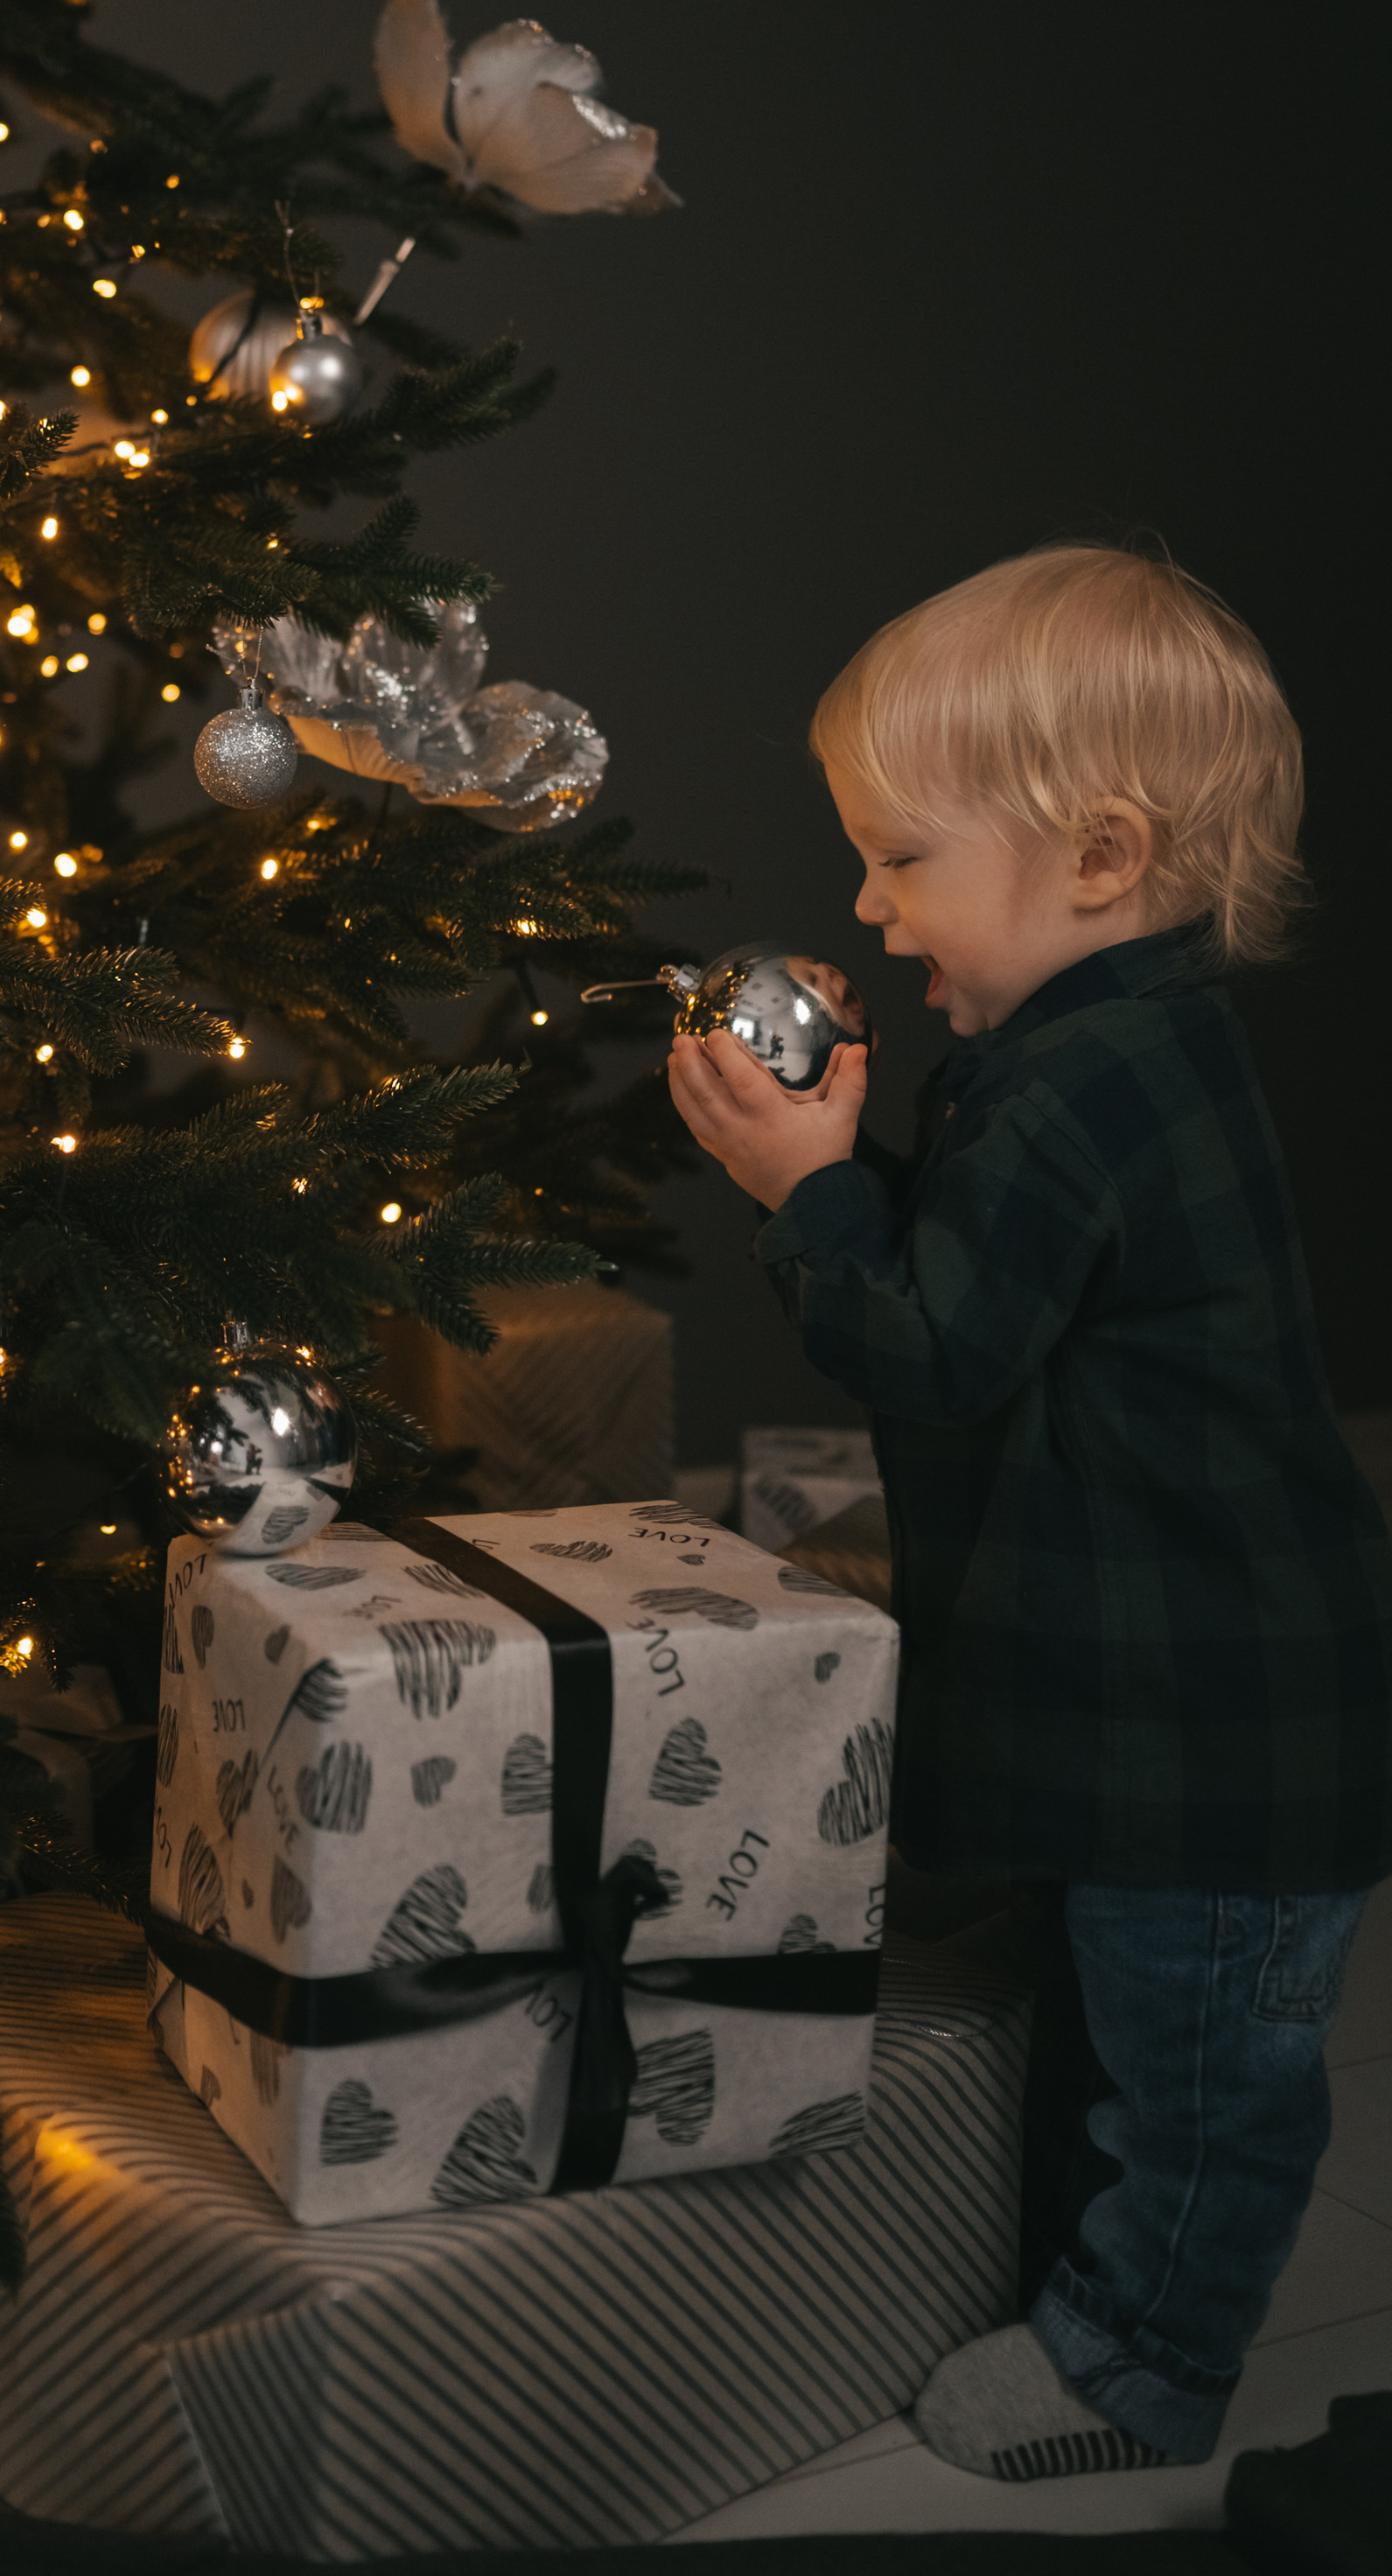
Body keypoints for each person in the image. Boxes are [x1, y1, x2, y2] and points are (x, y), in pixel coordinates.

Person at [667, 543, 1392, 2483]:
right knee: (1121, 2036)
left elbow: (933, 1343)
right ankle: (1085, 2294)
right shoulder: (1081, 1053)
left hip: (1220, 1729)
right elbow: (993, 1283)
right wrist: (842, 1150)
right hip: (1169, 1690)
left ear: (1092, 856)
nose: (864, 897)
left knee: (1195, 2089)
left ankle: (1139, 2372)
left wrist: (802, 1188)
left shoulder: (1086, 1084)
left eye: (899, 857)